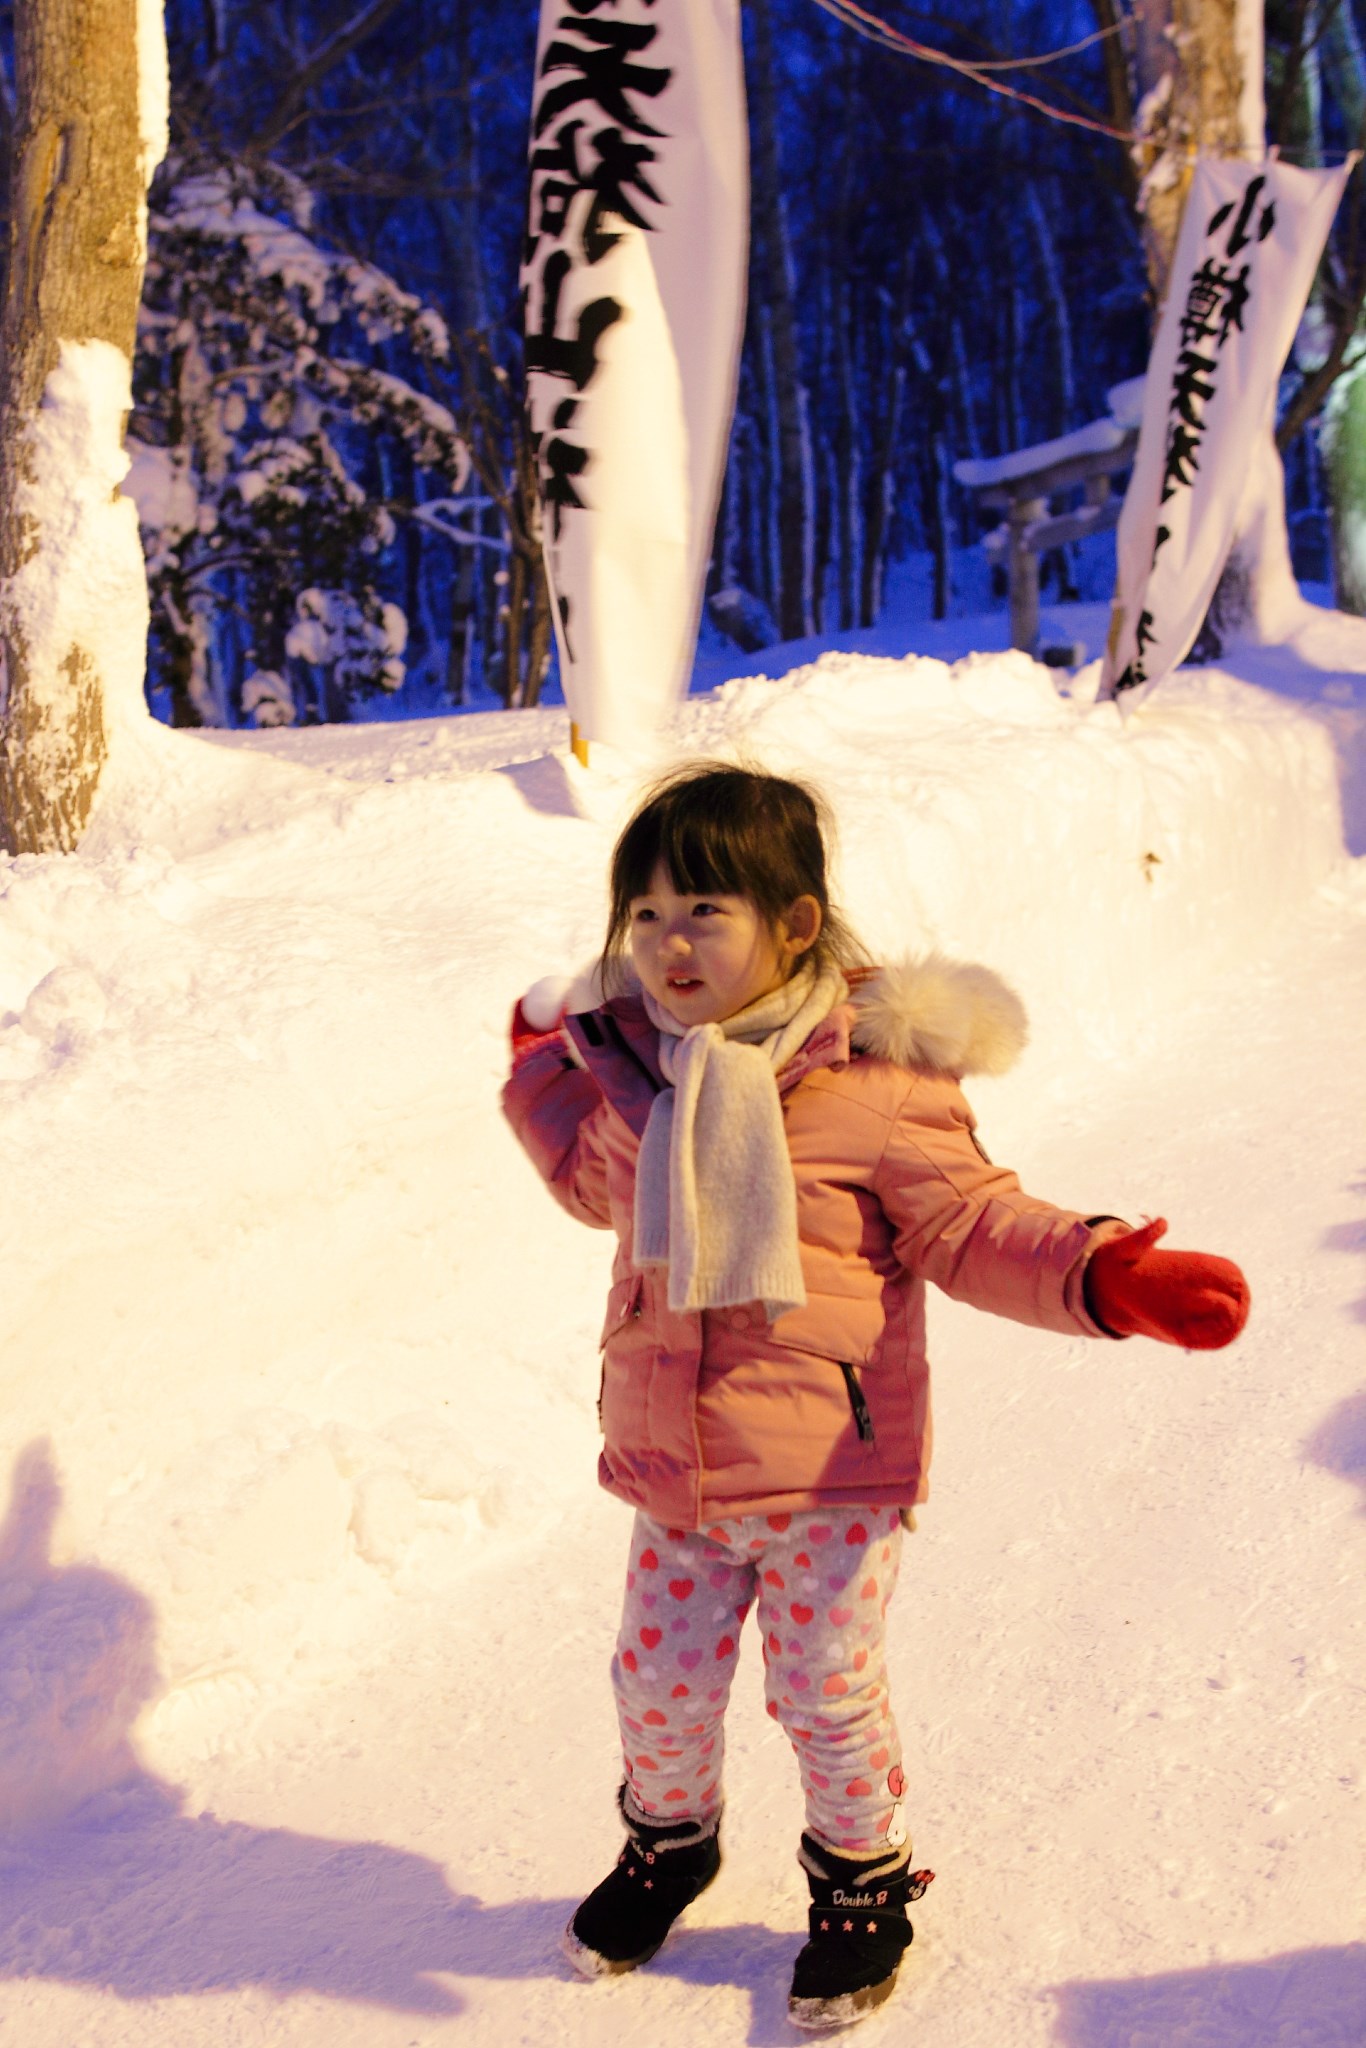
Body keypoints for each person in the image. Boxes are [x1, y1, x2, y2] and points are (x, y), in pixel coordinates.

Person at [501, 762, 1249, 2031]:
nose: (669, 943)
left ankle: (860, 1875)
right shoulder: (642, 1075)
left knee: (823, 1689)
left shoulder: (881, 1086)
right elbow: (588, 1182)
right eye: (646, 915)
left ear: (793, 925)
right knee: (655, 1679)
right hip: (674, 1462)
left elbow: (972, 1223)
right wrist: (545, 1071)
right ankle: (670, 1839)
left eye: (706, 912)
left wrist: (1104, 1269)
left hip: (830, 1476)